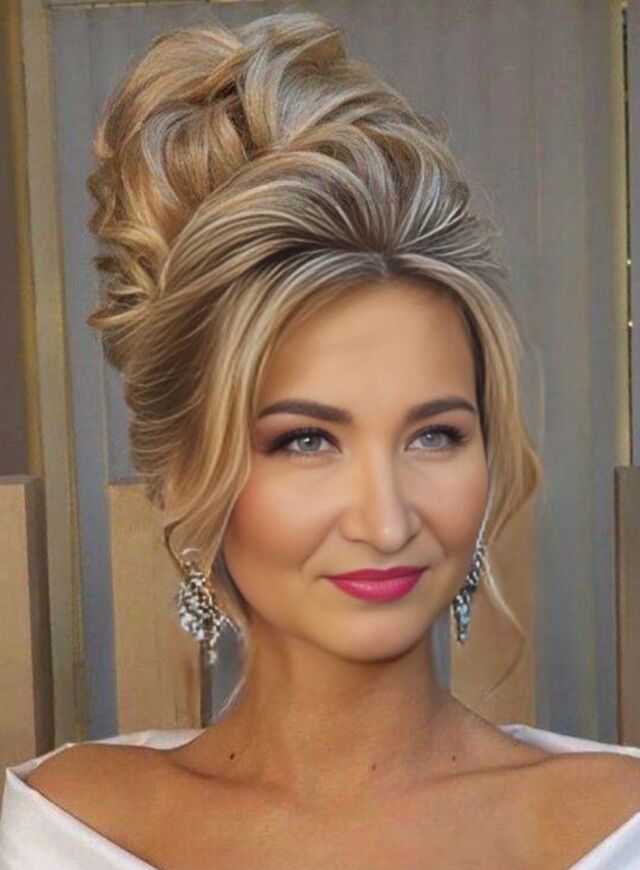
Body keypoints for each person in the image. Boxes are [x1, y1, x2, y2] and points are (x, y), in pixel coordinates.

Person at [1, 10, 639, 869]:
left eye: (435, 435)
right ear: (187, 472)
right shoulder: (55, 831)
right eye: (306, 441)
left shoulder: (618, 825)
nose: (386, 521)